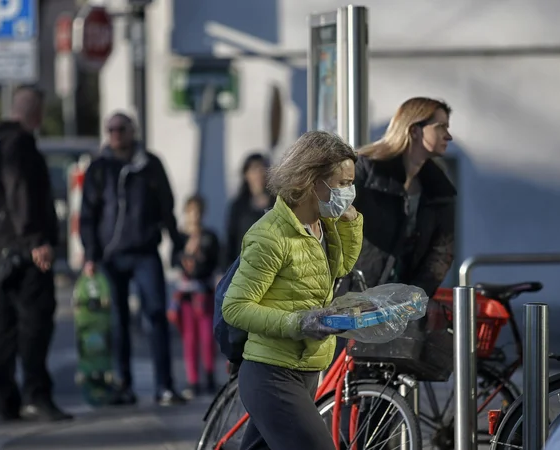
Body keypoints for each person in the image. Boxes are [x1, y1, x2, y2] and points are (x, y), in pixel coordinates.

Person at [221, 131, 363, 450]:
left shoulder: (322, 225)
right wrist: (297, 323)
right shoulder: (271, 236)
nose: (350, 192)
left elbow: (339, 268)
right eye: (342, 183)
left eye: (351, 183)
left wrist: (350, 222)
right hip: (272, 373)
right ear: (313, 181)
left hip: (306, 367)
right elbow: (236, 306)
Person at [79, 112, 185, 406]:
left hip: (144, 252)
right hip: (110, 257)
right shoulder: (99, 168)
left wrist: (177, 245)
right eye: (110, 129)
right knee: (118, 322)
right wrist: (90, 254)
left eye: (121, 129)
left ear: (132, 131)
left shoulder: (149, 165)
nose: (115, 134)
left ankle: (164, 385)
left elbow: (167, 207)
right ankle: (123, 384)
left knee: (154, 317)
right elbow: (88, 215)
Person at [0, 85, 73, 422]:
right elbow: (19, 190)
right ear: (33, 112)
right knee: (35, 324)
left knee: (5, 326)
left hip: (4, 250)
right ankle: (36, 396)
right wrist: (36, 239)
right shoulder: (19, 144)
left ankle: (5, 402)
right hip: (26, 251)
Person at [349, 97, 456, 296]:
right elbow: (329, 226)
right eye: (440, 127)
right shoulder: (364, 170)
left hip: (402, 310)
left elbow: (442, 251)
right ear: (414, 130)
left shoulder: (439, 188)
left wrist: (416, 296)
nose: (448, 136)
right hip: (352, 301)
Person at [168, 194, 220, 399]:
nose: (194, 216)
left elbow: (216, 260)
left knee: (207, 336)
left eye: (198, 212)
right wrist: (188, 252)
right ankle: (193, 379)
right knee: (189, 338)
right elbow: (174, 261)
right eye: (190, 212)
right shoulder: (180, 238)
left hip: (204, 293)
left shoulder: (209, 237)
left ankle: (209, 376)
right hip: (186, 295)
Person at [225, 153, 273, 263]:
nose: (259, 174)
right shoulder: (238, 206)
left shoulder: (278, 202)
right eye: (254, 169)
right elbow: (230, 239)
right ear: (246, 174)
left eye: (263, 169)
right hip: (245, 267)